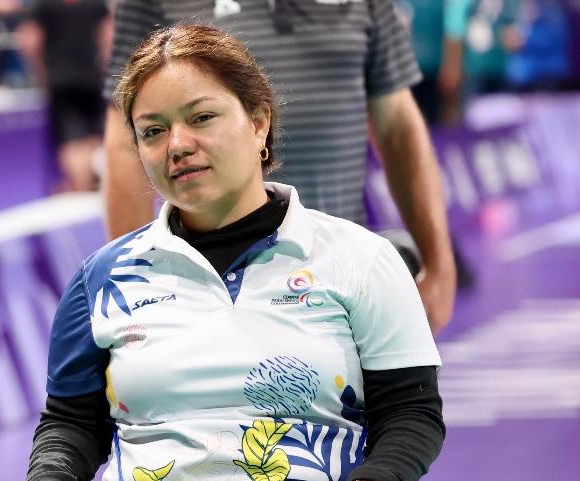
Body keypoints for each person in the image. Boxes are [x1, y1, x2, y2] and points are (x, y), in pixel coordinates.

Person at [14, 25, 444, 481]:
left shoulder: (361, 259)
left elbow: (413, 409)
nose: (178, 145)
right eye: (152, 131)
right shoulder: (101, 278)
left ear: (259, 121)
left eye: (202, 118)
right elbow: (71, 420)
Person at [100, 0, 458, 335]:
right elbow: (125, 139)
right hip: (209, 295)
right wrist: (135, 286)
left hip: (343, 285)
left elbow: (396, 123)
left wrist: (438, 263)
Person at [17, 0, 113, 192]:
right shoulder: (95, 4)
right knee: (91, 136)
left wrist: (39, 73)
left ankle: (81, 189)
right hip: (91, 78)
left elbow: (30, 41)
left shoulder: (43, 5)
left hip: (60, 79)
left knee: (70, 139)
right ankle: (89, 188)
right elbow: (109, 37)